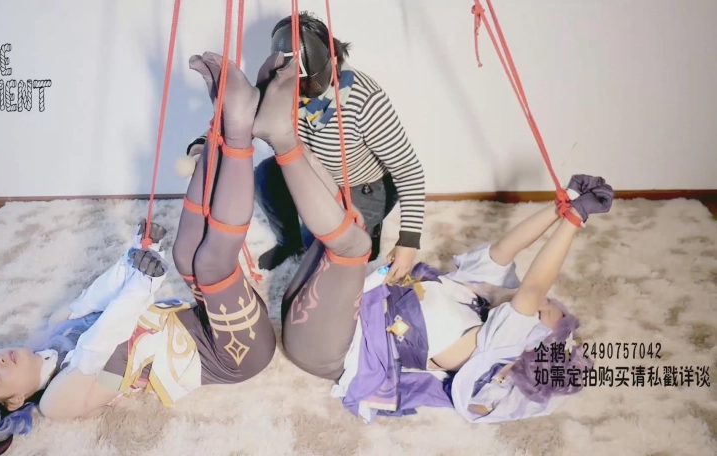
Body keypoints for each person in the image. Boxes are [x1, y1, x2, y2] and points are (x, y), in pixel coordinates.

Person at [0, 52, 276, 455]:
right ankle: (238, 129)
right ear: (15, 403)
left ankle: (222, 124)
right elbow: (102, 340)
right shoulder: (57, 403)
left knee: (184, 253)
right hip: (234, 354)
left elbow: (99, 295)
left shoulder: (55, 330)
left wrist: (135, 254)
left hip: (206, 321)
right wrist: (143, 285)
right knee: (210, 264)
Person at [252, 50, 613, 422]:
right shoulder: (476, 294)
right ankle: (268, 112)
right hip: (327, 309)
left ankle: (279, 135)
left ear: (530, 340)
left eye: (544, 311)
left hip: (328, 346)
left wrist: (575, 220)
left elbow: (534, 287)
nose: (543, 300)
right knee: (340, 210)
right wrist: (564, 204)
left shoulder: (497, 349)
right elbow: (508, 248)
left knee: (353, 242)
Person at [184, 12, 426, 283]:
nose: (300, 90)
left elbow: (408, 169)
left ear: (333, 59)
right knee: (265, 177)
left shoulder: (365, 99)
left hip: (364, 186)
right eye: (295, 81)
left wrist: (409, 241)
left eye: (309, 81)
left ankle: (371, 229)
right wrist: (204, 146)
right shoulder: (283, 84)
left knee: (325, 245)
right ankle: (289, 242)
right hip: (312, 172)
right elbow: (241, 116)